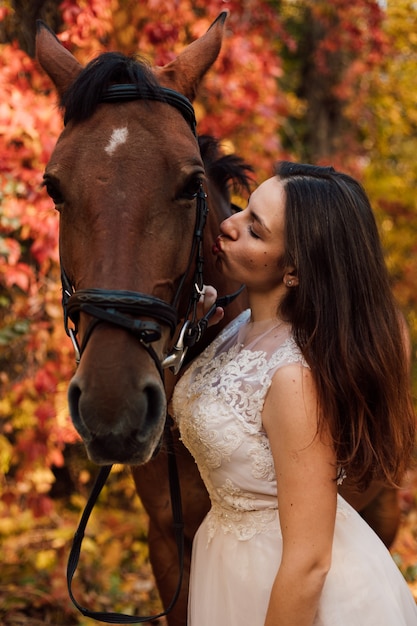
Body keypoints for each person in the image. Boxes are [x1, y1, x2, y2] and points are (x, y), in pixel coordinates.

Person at [171, 161, 417, 626]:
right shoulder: (239, 325)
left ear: (295, 271)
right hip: (230, 566)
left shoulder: (293, 377)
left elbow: (308, 563)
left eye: (255, 232)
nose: (228, 225)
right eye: (243, 212)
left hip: (288, 587)